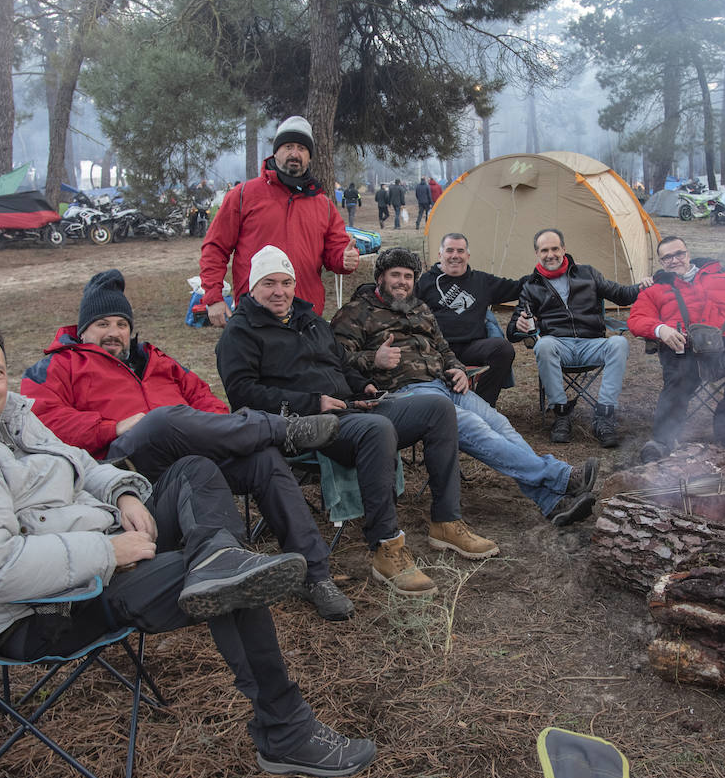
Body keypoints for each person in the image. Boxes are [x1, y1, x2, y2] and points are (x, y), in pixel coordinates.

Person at [0, 320, 376, 778]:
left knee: (193, 471)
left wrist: (121, 492)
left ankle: (216, 556)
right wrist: (108, 553)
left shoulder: (8, 416)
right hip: (35, 610)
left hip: (90, 548)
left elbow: (81, 463)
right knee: (234, 586)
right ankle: (285, 732)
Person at [21, 269, 360, 622]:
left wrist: (212, 432)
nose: (114, 333)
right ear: (83, 329)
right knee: (162, 420)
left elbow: (204, 398)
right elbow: (44, 424)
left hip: (188, 463)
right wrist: (113, 426)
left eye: (121, 324)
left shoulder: (155, 359)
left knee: (263, 459)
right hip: (122, 469)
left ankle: (315, 575)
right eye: (102, 324)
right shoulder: (57, 366)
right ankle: (282, 429)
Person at [217, 246, 499, 597]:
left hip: (350, 408)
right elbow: (243, 394)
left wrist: (361, 385)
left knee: (436, 409)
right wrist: (313, 402)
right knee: (377, 429)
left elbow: (340, 365)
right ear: (252, 287)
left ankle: (446, 521)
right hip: (299, 425)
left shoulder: (310, 322)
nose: (280, 291)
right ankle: (387, 547)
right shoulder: (241, 333)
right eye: (269, 283)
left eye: (286, 282)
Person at [332, 248, 601, 527]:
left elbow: (444, 348)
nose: (402, 282)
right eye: (395, 275)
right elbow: (335, 360)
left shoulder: (420, 308)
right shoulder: (356, 312)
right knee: (477, 428)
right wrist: (372, 359)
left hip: (445, 384)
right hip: (407, 396)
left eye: (408, 276)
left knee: (501, 425)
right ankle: (560, 476)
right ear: (380, 278)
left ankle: (552, 502)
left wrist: (458, 369)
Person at [200, 116, 359, 325]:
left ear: (309, 157)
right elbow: (215, 247)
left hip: (305, 316)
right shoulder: (243, 195)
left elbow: (336, 252)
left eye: (302, 148)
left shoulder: (323, 205)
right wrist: (214, 297)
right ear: (275, 152)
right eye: (288, 146)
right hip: (255, 315)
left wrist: (344, 259)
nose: (295, 153)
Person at [627, 236, 725, 459]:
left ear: (687, 253)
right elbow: (637, 319)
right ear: (661, 261)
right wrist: (660, 329)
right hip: (682, 346)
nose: (674, 260)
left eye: (679, 254)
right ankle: (663, 440)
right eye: (667, 257)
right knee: (677, 376)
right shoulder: (655, 289)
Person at [508, 229, 647, 448]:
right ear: (537, 253)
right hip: (558, 345)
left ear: (564, 249)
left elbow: (620, 294)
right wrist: (519, 324)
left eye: (555, 248)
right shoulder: (531, 285)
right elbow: (512, 330)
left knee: (619, 343)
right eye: (545, 250)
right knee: (544, 344)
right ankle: (561, 415)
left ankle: (604, 415)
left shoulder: (587, 273)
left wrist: (641, 287)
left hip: (591, 343)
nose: (550, 254)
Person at [416, 232, 522, 407]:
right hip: (437, 351)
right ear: (440, 254)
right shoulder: (425, 282)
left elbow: (518, 287)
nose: (455, 256)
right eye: (450, 250)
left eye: (460, 251)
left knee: (502, 349)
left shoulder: (481, 281)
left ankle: (483, 405)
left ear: (468, 255)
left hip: (471, 348)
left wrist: (548, 273)